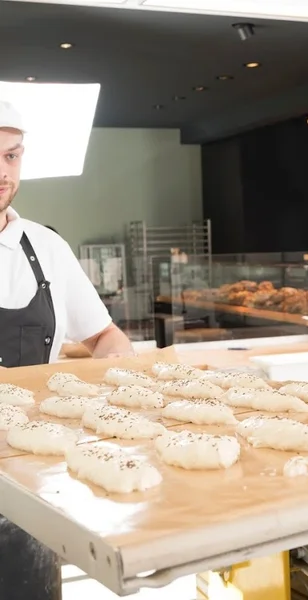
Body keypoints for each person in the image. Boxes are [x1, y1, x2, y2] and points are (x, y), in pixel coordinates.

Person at [0, 99, 134, 600]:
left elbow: (104, 337)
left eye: (12, 156)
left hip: (33, 483)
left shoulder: (45, 247)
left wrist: (118, 372)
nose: (2, 172)